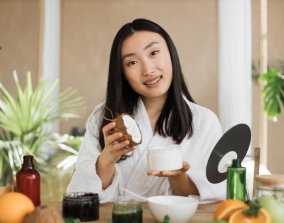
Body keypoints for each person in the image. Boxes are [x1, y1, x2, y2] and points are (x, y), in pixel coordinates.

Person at [67, 18, 224, 202]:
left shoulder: (204, 121)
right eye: (132, 63)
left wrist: (177, 176)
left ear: (171, 53)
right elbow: (80, 194)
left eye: (154, 52)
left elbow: (212, 195)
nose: (148, 70)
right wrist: (107, 158)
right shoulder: (103, 117)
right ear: (122, 72)